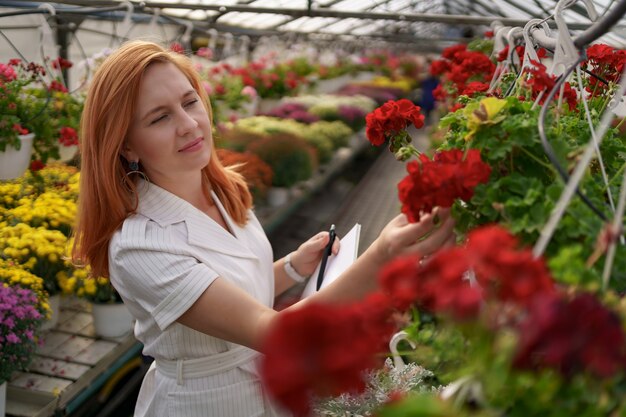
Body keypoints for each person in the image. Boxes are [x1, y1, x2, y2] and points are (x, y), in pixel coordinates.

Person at [72, 40, 455, 417]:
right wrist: (380, 260)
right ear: (125, 146)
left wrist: (291, 267)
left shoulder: (222, 188)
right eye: (159, 118)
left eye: (190, 102)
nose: (189, 125)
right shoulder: (140, 246)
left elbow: (229, 292)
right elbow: (269, 331)